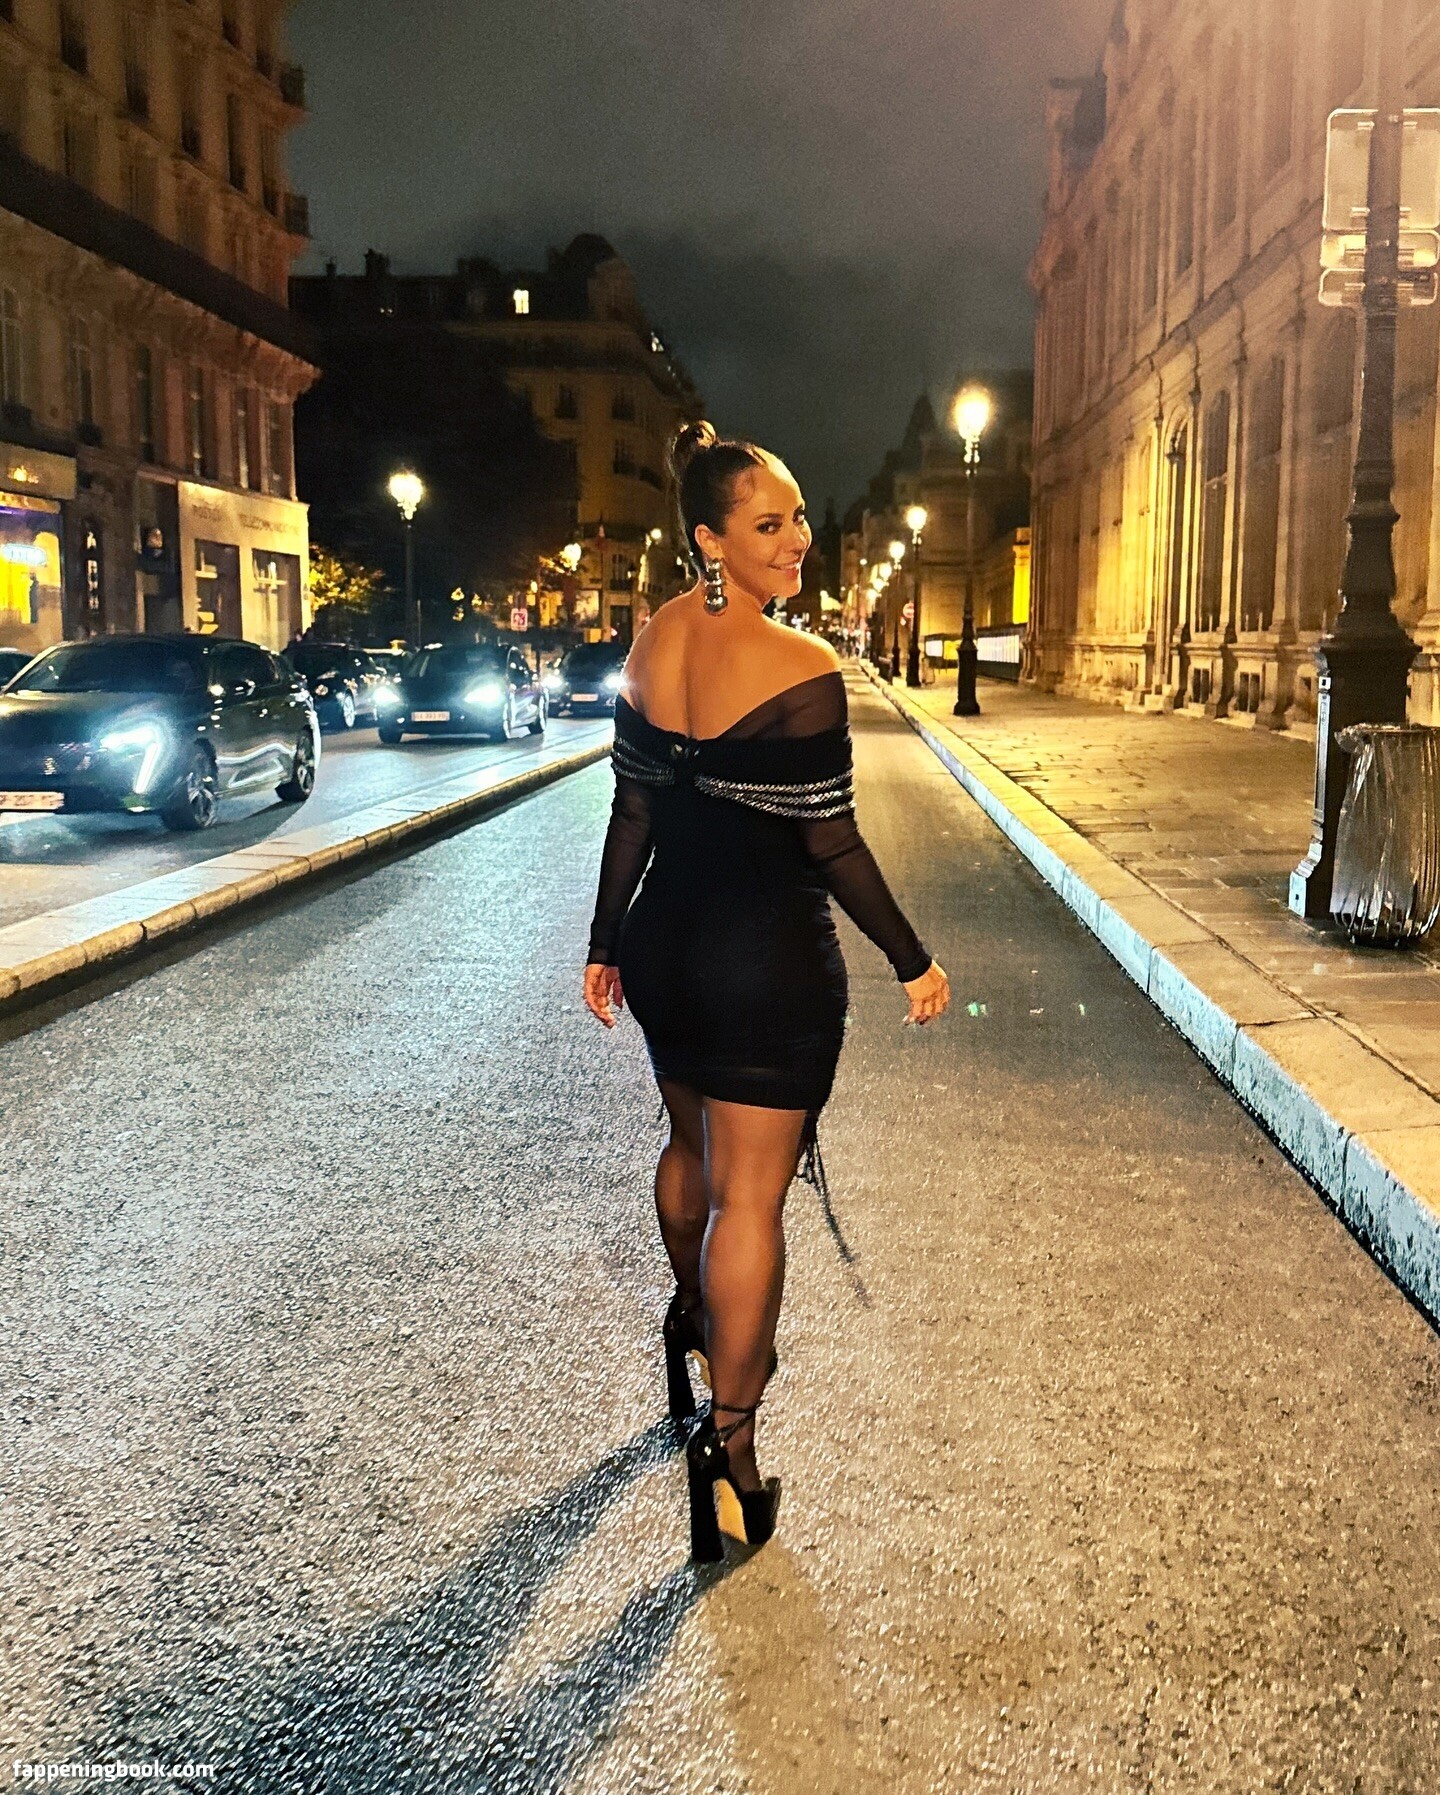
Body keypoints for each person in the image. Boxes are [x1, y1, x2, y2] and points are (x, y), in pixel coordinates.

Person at [584, 422, 950, 1561]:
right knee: (751, 1200)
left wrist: (605, 943)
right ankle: (731, 1453)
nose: (797, 541)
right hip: (764, 962)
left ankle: (699, 1324)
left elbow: (633, 811)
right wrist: (912, 956)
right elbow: (830, 843)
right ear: (711, 539)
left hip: (665, 949)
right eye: (769, 524)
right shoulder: (802, 668)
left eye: (797, 519)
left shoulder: (651, 643)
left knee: (689, 1146)